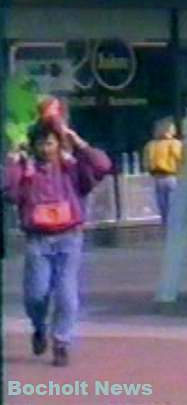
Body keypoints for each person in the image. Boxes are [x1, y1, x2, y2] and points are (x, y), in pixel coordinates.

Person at [3, 120, 112, 367]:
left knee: (66, 295)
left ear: (58, 143)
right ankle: (39, 327)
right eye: (41, 143)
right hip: (38, 241)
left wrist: (80, 143)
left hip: (69, 238)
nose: (46, 148)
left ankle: (61, 342)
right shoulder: (26, 170)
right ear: (33, 145)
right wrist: (12, 160)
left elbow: (102, 166)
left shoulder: (71, 168)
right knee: (36, 295)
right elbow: (9, 191)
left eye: (50, 142)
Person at [143, 118, 183, 225]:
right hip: (171, 176)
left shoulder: (150, 145)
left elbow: (146, 164)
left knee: (162, 205)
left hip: (157, 178)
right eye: (172, 127)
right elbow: (181, 158)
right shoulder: (174, 143)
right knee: (174, 204)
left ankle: (165, 224)